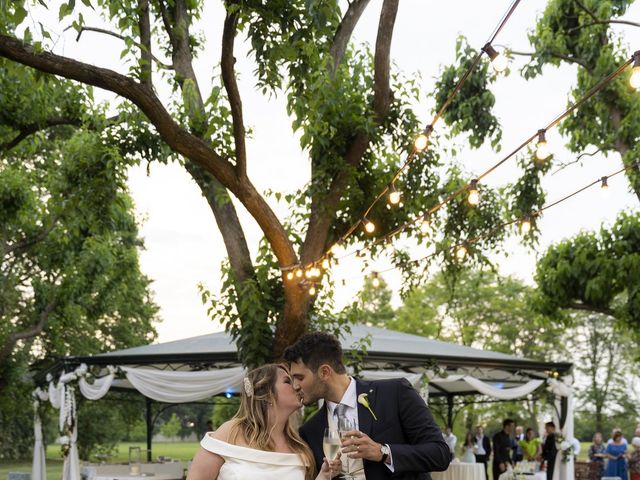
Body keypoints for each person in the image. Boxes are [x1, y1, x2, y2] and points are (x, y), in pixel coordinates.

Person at [285, 332, 451, 480]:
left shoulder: (395, 393)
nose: (295, 386)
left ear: (325, 372)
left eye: (299, 377)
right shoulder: (309, 431)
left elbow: (440, 454)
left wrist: (383, 452)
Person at [187, 364, 340, 480]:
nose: (297, 386)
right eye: (288, 381)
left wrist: (324, 476)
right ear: (266, 394)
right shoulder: (231, 432)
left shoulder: (299, 445)